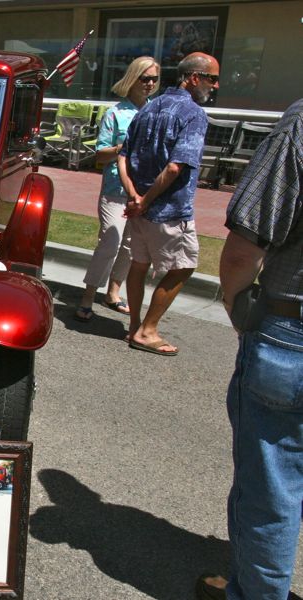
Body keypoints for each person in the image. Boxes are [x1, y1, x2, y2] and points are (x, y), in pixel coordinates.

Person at [195, 99, 303, 600]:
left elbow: (243, 249)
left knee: (272, 490)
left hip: (291, 329)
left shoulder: (300, 124)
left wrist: (238, 309)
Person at [117, 52, 220, 355]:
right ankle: (146, 331)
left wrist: (135, 196)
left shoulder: (148, 109)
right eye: (212, 79)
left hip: (140, 208)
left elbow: (122, 157)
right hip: (168, 210)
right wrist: (145, 200)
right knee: (184, 266)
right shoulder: (193, 114)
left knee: (139, 264)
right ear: (194, 78)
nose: (215, 86)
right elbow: (176, 167)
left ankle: (135, 325)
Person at [75, 56, 160, 322]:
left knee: (131, 246)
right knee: (110, 242)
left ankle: (113, 292)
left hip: (145, 190)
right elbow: (99, 155)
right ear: (133, 79)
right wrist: (123, 149)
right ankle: (88, 295)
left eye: (154, 79)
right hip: (114, 188)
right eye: (144, 78)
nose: (149, 84)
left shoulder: (157, 112)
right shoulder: (115, 114)